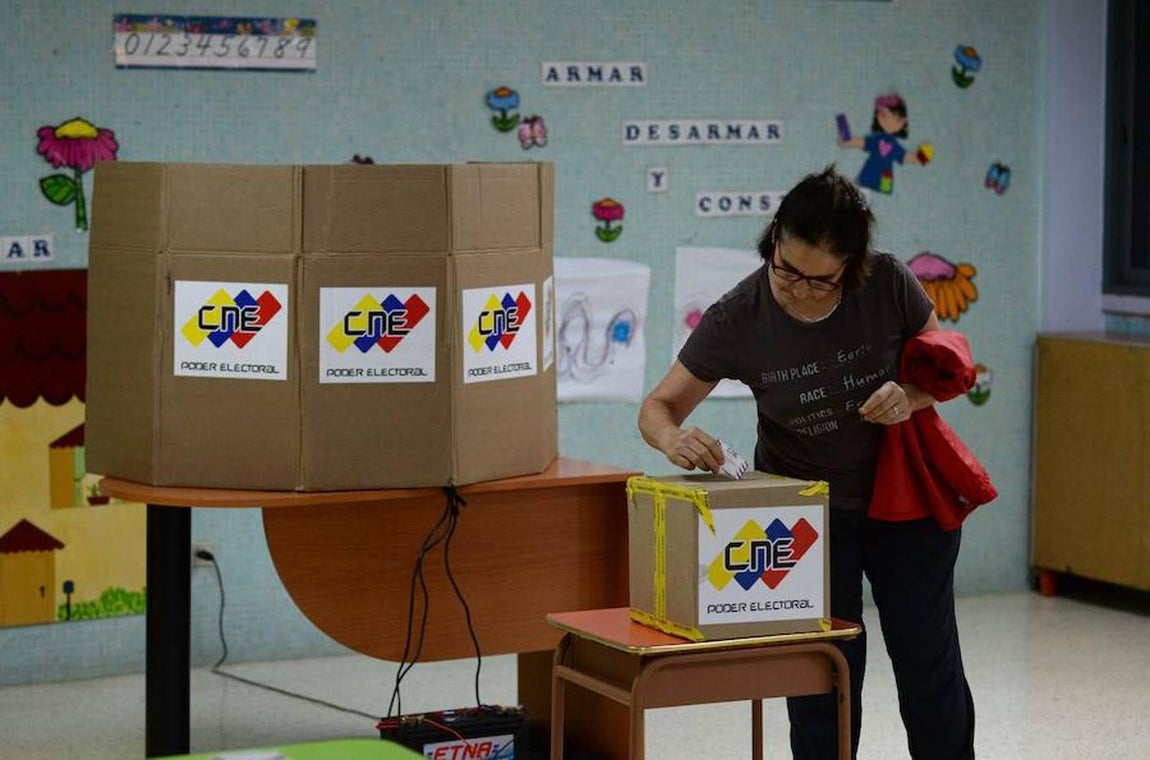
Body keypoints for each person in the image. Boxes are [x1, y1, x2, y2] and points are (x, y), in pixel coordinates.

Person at [637, 166, 975, 760]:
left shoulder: (889, 282)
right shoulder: (739, 314)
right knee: (823, 680)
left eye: (822, 281)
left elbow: (948, 370)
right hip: (807, 521)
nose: (797, 288)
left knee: (928, 667)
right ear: (772, 241)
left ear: (855, 266)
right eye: (786, 269)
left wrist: (911, 397)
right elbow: (658, 407)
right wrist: (672, 439)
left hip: (905, 506)